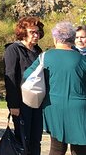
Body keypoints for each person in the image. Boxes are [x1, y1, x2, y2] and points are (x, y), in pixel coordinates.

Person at [24, 22, 86, 155]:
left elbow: (27, 76)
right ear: (72, 38)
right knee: (80, 148)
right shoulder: (82, 59)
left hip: (53, 107)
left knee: (57, 148)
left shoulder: (45, 57)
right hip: (79, 109)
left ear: (55, 38)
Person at [3, 16, 44, 155]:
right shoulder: (13, 49)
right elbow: (10, 78)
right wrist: (13, 104)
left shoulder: (38, 51)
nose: (36, 35)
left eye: (38, 32)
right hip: (21, 103)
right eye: (32, 31)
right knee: (23, 139)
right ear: (23, 32)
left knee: (36, 139)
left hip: (37, 102)